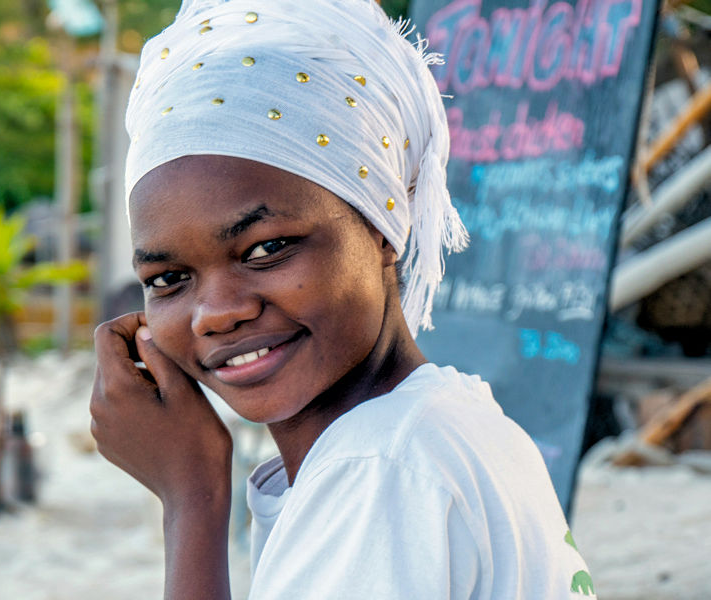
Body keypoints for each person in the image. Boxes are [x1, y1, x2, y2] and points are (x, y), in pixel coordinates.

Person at [89, 0, 597, 597]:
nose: (217, 311)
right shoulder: (440, 426)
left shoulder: (380, 472)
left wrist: (192, 497)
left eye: (266, 247)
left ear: (383, 223)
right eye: (169, 279)